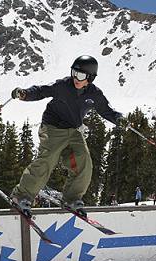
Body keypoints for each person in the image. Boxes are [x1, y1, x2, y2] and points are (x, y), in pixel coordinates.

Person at [9, 55, 123, 217]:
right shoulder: (64, 85)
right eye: (74, 73)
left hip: (74, 131)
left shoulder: (95, 94)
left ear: (90, 78)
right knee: (48, 159)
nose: (76, 78)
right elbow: (42, 90)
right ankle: (21, 195)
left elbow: (106, 110)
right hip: (52, 127)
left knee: (84, 161)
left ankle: (71, 198)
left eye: (81, 75)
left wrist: (118, 118)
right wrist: (24, 94)